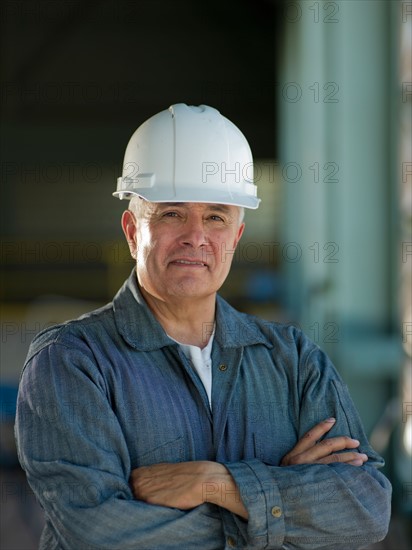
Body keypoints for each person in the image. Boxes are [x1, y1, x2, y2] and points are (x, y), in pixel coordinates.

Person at [16, 104, 391, 549]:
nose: (196, 236)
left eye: (215, 216)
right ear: (133, 229)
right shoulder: (71, 362)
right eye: (173, 213)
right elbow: (99, 534)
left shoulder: (292, 359)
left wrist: (217, 485)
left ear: (235, 236)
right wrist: (274, 505)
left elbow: (364, 508)